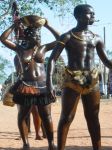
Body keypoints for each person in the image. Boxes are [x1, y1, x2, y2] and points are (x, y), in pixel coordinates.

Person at [46, 4, 112, 150]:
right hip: (72, 81)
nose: (93, 16)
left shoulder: (97, 38)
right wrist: (49, 83)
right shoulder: (67, 36)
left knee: (93, 118)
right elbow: (52, 59)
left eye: (94, 13)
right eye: (90, 13)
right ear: (78, 16)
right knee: (67, 117)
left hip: (92, 80)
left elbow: (106, 61)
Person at [0, 16, 59, 150]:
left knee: (46, 115)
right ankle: (26, 144)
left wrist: (48, 25)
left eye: (39, 34)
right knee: (22, 115)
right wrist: (14, 26)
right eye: (35, 34)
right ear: (27, 36)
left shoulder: (43, 48)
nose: (38, 36)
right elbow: (2, 39)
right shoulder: (20, 49)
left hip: (43, 86)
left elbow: (60, 39)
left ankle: (51, 143)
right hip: (26, 86)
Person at [14, 55, 46, 140]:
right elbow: (18, 71)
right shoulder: (17, 56)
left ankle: (38, 134)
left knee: (36, 112)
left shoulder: (38, 54)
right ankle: (24, 134)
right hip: (24, 86)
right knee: (23, 113)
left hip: (36, 85)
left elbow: (41, 70)